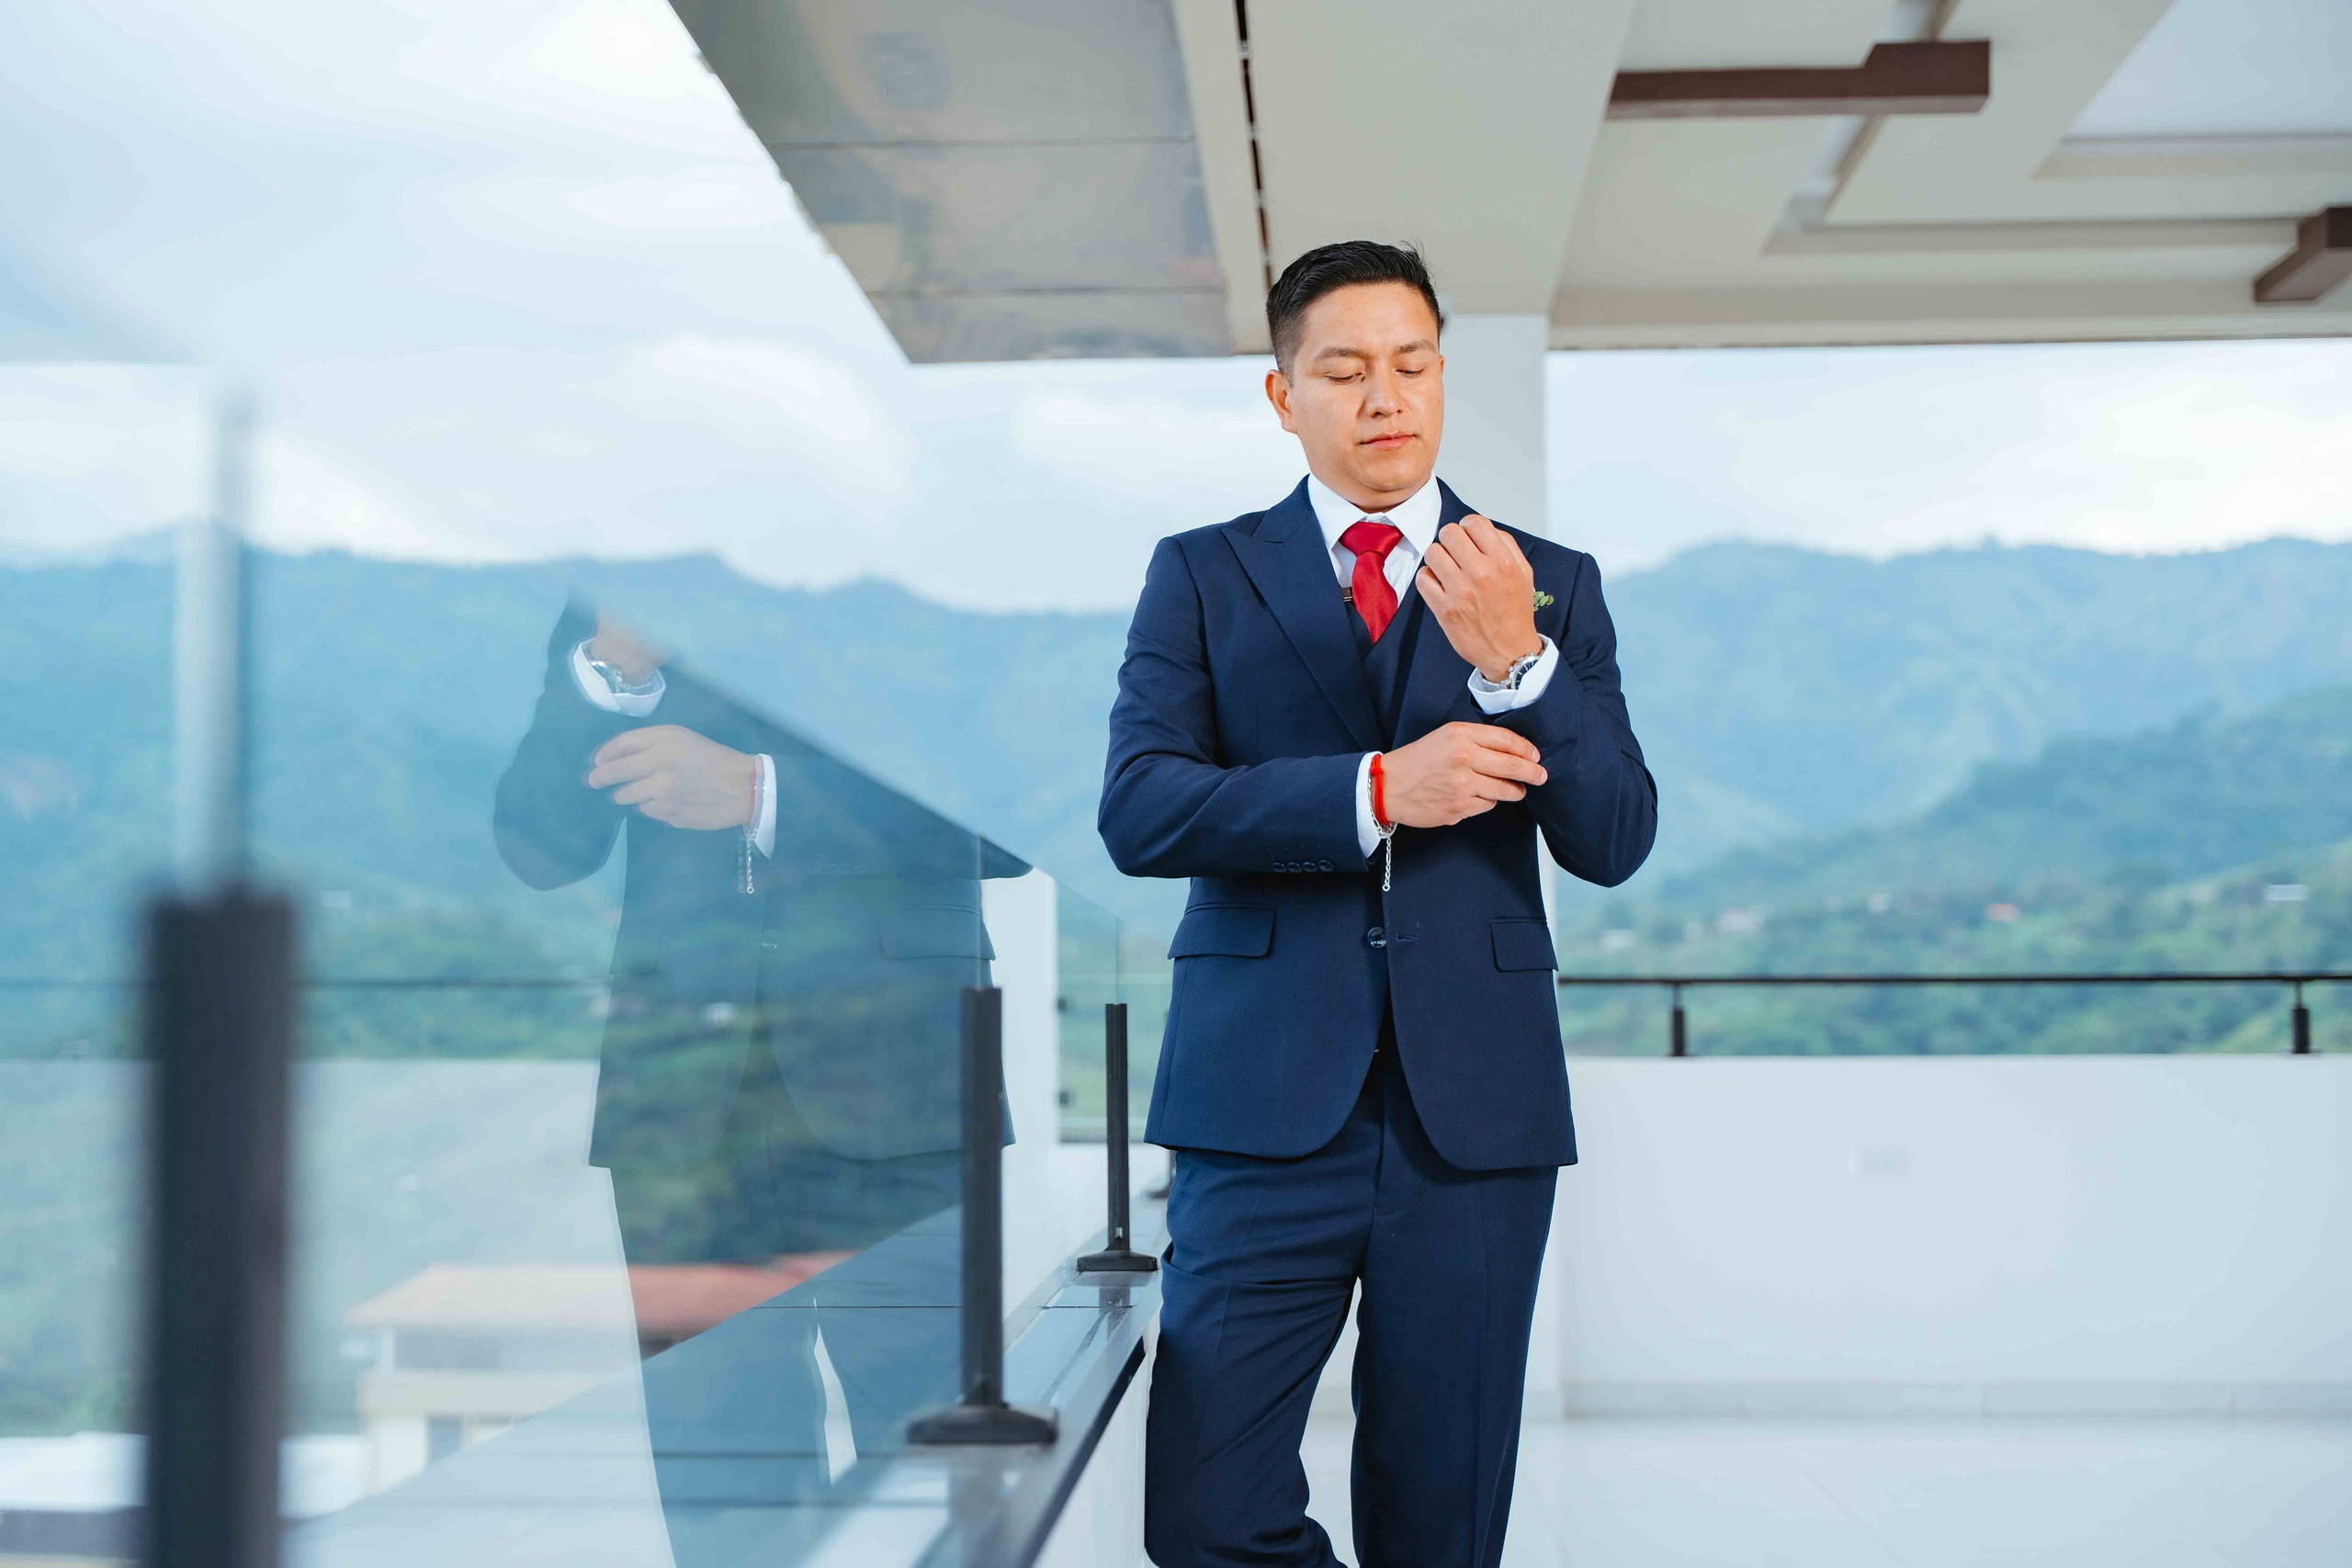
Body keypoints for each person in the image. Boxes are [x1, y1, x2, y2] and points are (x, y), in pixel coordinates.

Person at [1100, 240, 1657, 1567]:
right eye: (1344, 368)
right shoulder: (1201, 572)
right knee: (1204, 1511)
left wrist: (1519, 663)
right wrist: (1372, 788)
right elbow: (1143, 808)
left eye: (1411, 364)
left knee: (1443, 1521)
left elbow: (1617, 836)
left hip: (1474, 1119)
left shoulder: (1545, 582)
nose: (1384, 395)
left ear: (1442, 377)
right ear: (1284, 393)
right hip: (1256, 1110)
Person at [492, 601, 1025, 1555]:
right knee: (721, 1487)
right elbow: (537, 848)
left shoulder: (928, 581)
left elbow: (1015, 821)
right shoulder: (614, 599)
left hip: (899, 1098)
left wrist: (760, 793)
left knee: (931, 1470)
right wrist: (610, 668)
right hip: (684, 1112)